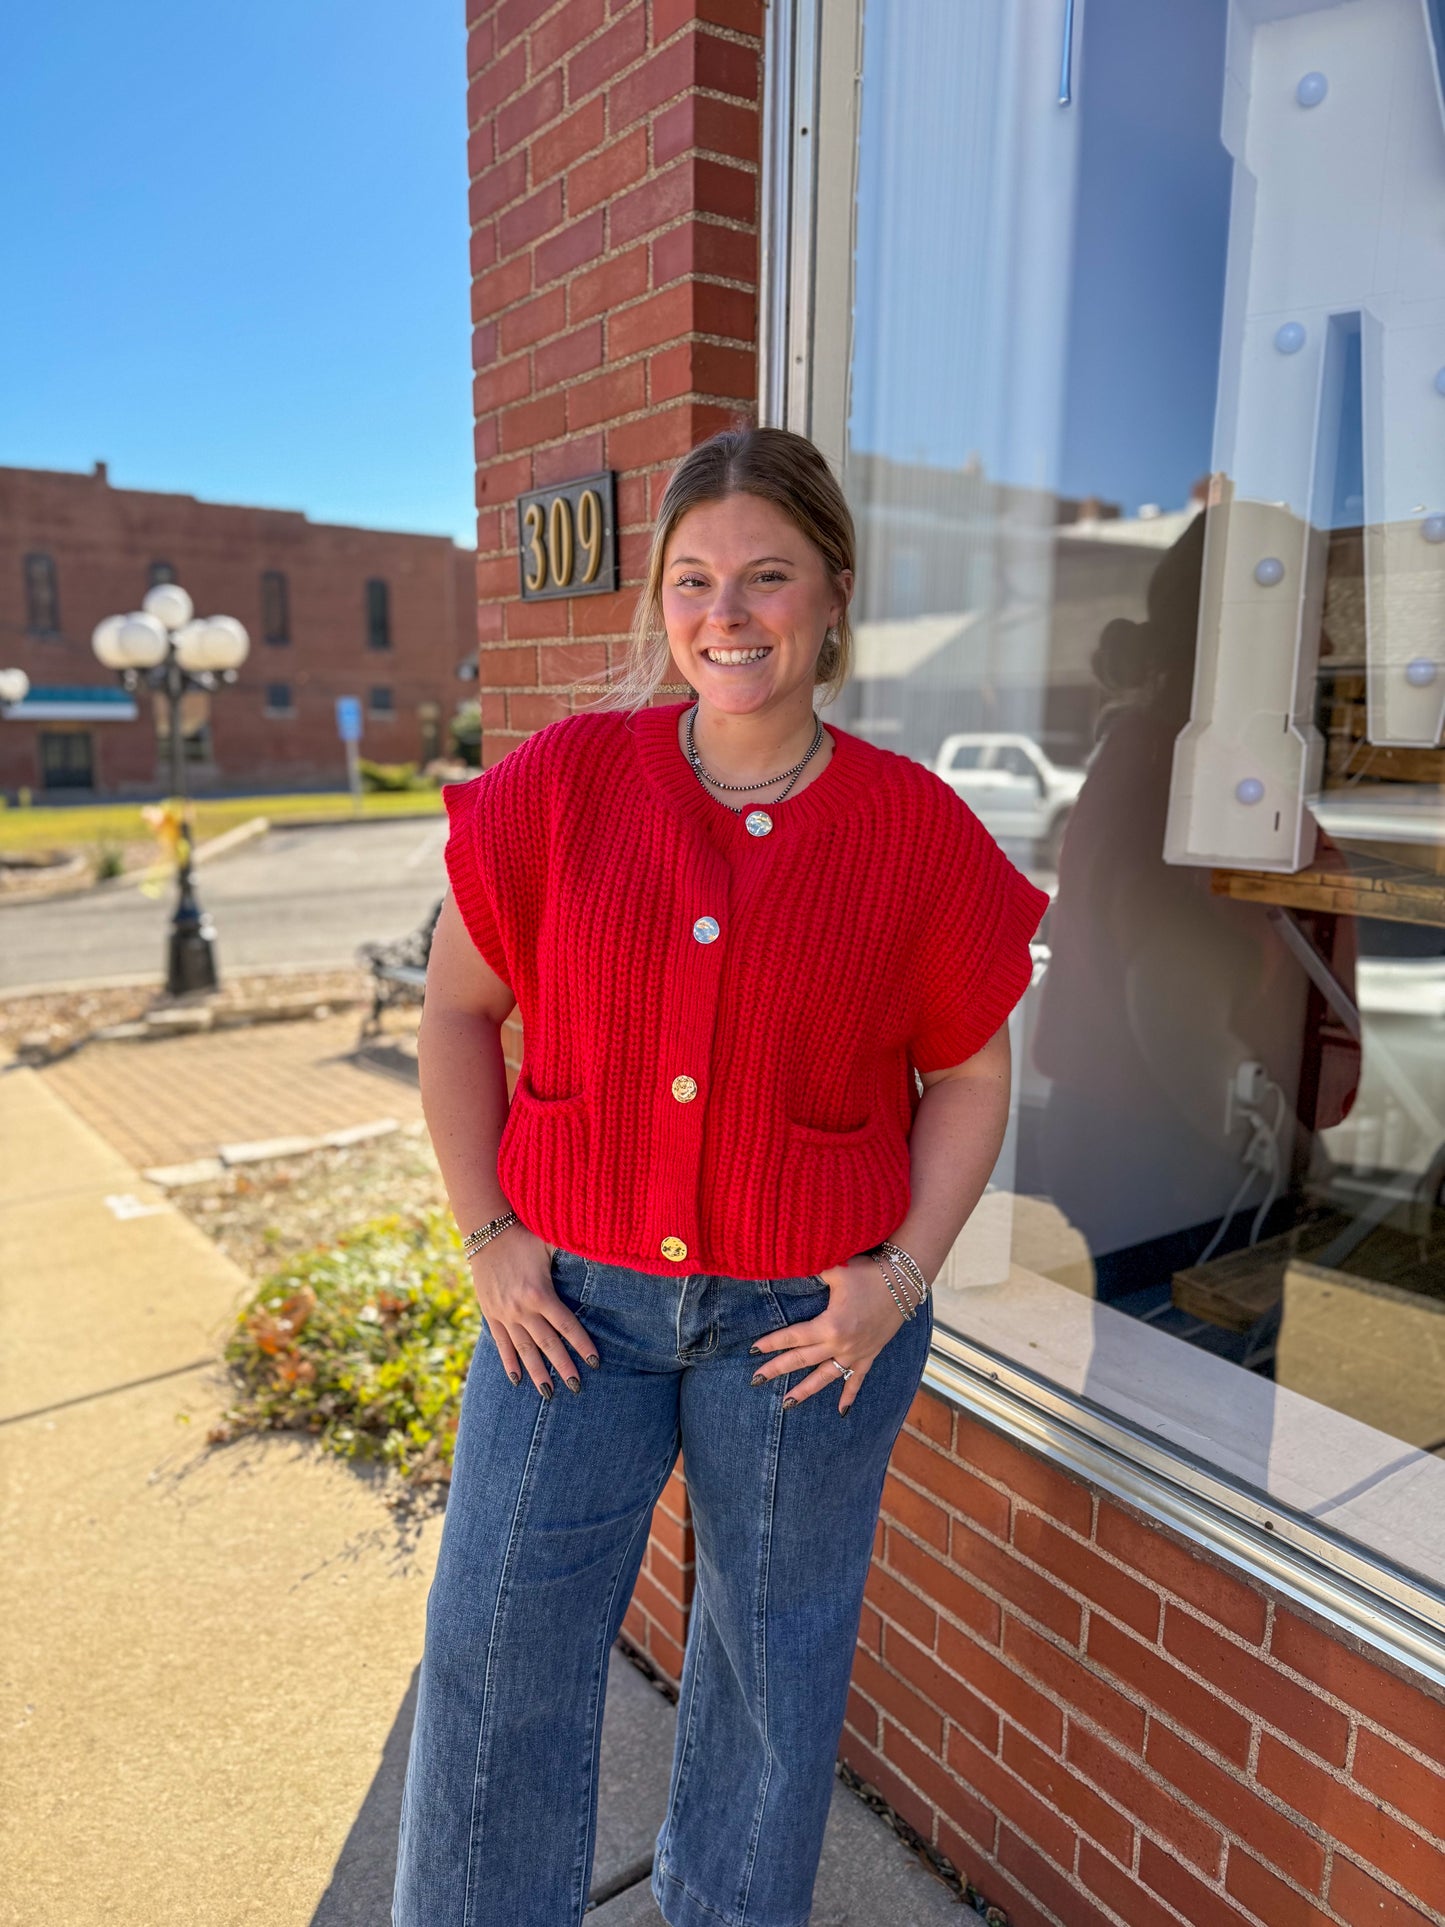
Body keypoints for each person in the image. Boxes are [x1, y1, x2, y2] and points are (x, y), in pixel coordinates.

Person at [392, 426, 1050, 1927]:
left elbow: (968, 1073)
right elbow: (455, 1013)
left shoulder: (914, 832)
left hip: (806, 1330)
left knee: (768, 1671)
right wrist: (488, 1233)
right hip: (564, 1305)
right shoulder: (563, 786)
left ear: (830, 595)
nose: (725, 613)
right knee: (495, 1648)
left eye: (764, 575)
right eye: (693, 579)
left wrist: (901, 1279)